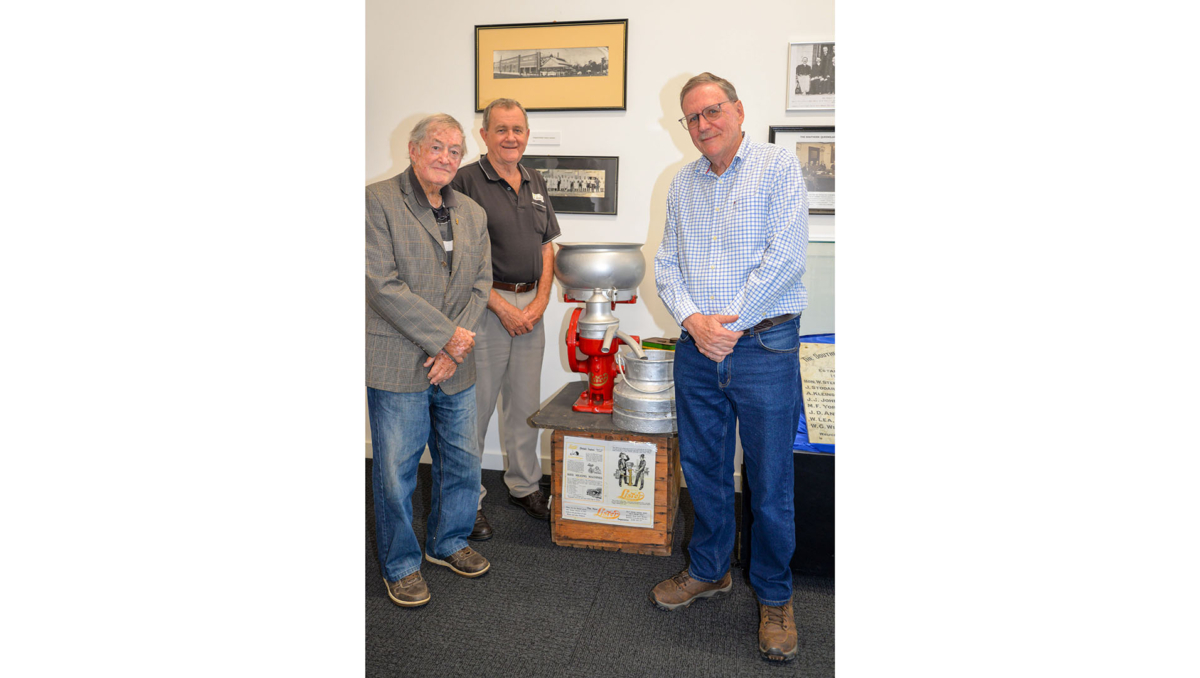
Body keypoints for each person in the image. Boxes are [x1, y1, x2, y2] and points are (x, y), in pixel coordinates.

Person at [652, 73, 809, 662]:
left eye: (712, 111)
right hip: (697, 349)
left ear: (738, 110)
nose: (703, 125)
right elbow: (666, 263)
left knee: (771, 481)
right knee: (705, 469)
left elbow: (786, 258)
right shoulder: (682, 183)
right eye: (692, 118)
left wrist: (729, 324)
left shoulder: (777, 168)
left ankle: (774, 595)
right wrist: (695, 322)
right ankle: (710, 570)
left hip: (764, 346)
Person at [366, 113, 494, 608]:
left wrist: (455, 344)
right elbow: (382, 284)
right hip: (398, 357)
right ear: (414, 150)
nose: (445, 157)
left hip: (456, 359)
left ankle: (448, 542)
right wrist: (445, 340)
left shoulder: (471, 212)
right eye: (436, 147)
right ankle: (401, 566)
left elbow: (481, 283)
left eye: (454, 150)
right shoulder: (376, 201)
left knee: (462, 460)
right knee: (397, 470)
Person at [451, 98, 561, 538]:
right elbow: (460, 258)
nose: (511, 137)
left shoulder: (535, 180)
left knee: (525, 406)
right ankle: (465, 500)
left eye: (518, 129)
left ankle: (524, 486)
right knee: (472, 412)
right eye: (501, 129)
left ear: (527, 135)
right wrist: (501, 306)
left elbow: (547, 246)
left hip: (530, 307)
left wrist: (539, 304)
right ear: (484, 135)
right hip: (484, 308)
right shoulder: (464, 181)